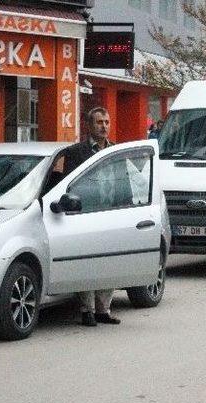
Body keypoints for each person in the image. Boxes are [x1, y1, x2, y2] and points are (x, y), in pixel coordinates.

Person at [63, 107, 122, 327]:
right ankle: (86, 310)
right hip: (85, 216)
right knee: (88, 263)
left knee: (109, 263)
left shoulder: (115, 150)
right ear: (89, 125)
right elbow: (68, 185)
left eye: (106, 122)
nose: (104, 126)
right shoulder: (76, 152)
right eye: (99, 122)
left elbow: (123, 180)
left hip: (110, 215)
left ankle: (103, 310)